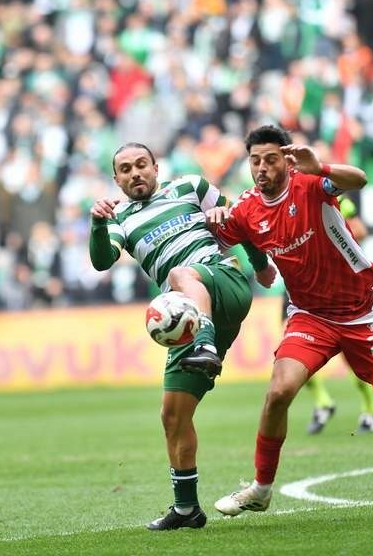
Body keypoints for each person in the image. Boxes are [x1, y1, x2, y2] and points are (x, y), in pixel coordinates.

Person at [206, 124, 373, 519]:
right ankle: (261, 489)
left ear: (286, 160)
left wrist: (322, 167)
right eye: (255, 161)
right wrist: (222, 224)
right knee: (278, 392)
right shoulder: (247, 208)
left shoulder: (311, 184)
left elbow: (359, 179)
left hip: (366, 310)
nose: (262, 168)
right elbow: (228, 233)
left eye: (270, 159)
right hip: (311, 316)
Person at [88, 142, 271, 531]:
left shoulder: (189, 186)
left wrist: (260, 263)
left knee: (179, 274)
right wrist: (98, 225)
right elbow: (103, 261)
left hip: (223, 280)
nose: (135, 173)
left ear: (156, 168)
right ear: (116, 179)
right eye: (125, 169)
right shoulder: (119, 219)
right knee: (173, 415)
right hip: (185, 315)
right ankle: (186, 509)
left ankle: (204, 340)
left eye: (141, 164)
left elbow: (239, 221)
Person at [301, 194, 373, 435]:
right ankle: (323, 402)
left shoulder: (338, 200)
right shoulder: (289, 202)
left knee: (351, 354)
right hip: (301, 284)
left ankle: (371, 409)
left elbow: (361, 230)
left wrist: (329, 233)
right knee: (291, 352)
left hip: (335, 283)